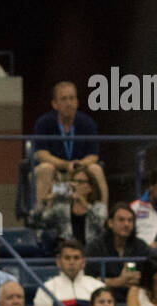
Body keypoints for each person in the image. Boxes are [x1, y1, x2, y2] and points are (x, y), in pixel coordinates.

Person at [30, 79, 102, 213]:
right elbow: (42, 155)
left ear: (77, 102)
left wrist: (78, 165)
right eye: (63, 99)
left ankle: (102, 217)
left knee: (96, 169)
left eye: (72, 98)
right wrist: (65, 165)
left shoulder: (88, 123)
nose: (68, 103)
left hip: (80, 171)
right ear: (55, 104)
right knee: (45, 168)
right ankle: (40, 218)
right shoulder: (43, 123)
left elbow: (93, 156)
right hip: (56, 171)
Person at [34, 238, 102, 306]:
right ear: (58, 261)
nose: (72, 262)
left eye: (76, 258)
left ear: (83, 262)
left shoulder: (97, 286)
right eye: (67, 258)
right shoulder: (47, 288)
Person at [38, 163, 108, 256]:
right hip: (67, 255)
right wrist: (45, 202)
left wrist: (85, 205)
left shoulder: (98, 207)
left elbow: (102, 225)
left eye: (80, 181)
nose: (75, 185)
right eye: (73, 181)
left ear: (90, 188)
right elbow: (39, 222)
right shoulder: (61, 208)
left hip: (91, 254)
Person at [85, 203, 150, 294]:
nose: (126, 224)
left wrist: (140, 279)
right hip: (104, 299)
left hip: (134, 297)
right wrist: (117, 282)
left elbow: (151, 274)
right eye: (121, 220)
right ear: (110, 223)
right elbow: (88, 279)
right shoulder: (96, 246)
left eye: (130, 220)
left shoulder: (140, 246)